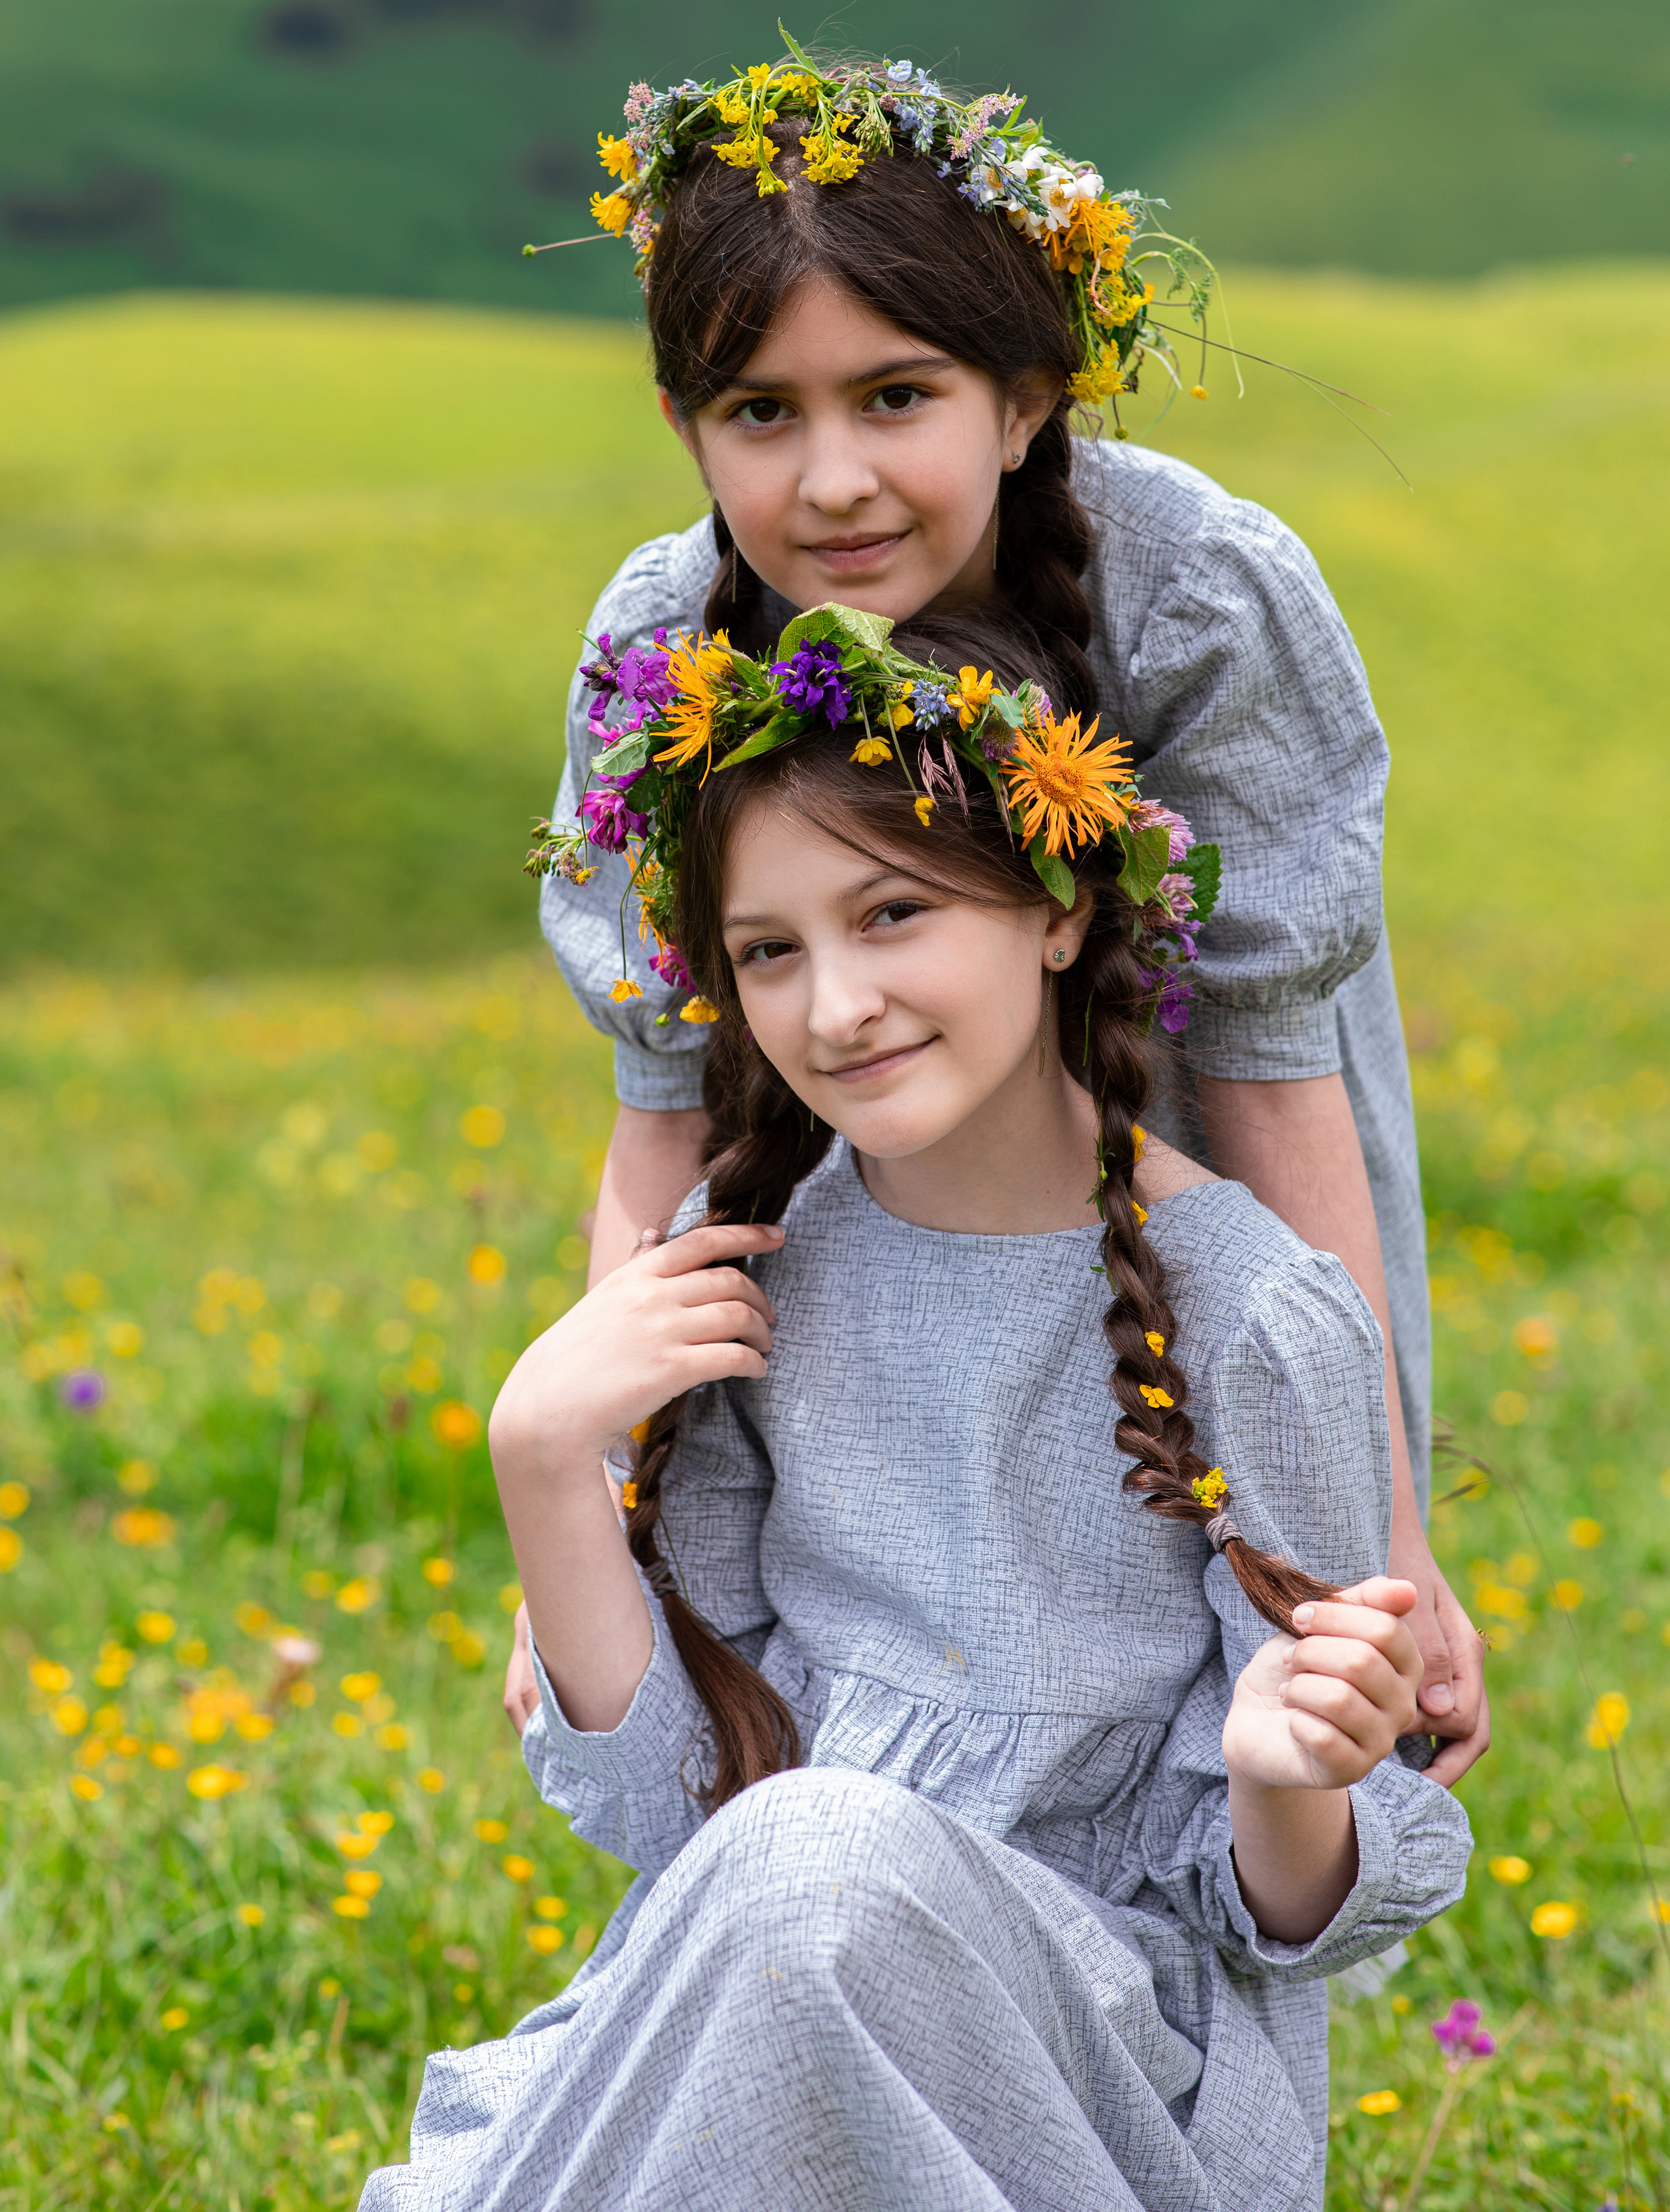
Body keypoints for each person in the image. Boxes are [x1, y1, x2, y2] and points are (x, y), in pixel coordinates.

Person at [363, 611, 1471, 2212]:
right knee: (803, 1866)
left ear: (1055, 907)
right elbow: (678, 1821)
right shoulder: (745, 1271)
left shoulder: (1249, 1311)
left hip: (1098, 2084)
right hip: (776, 1995)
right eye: (768, 952)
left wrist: (1280, 1774)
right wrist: (542, 1462)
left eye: (893, 913)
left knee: (823, 1862)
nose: (833, 1008)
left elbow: (1281, 1914)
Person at [527, 50, 1487, 1780]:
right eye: (763, 412)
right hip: (845, 1277)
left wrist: (1383, 1552)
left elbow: (1272, 1062)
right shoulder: (662, 635)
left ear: (1029, 397)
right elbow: (660, 1101)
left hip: (1176, 1221)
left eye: (896, 398)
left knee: (1227, 1722)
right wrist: (597, 1524)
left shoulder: (1194, 597)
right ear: (686, 425)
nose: (831, 483)